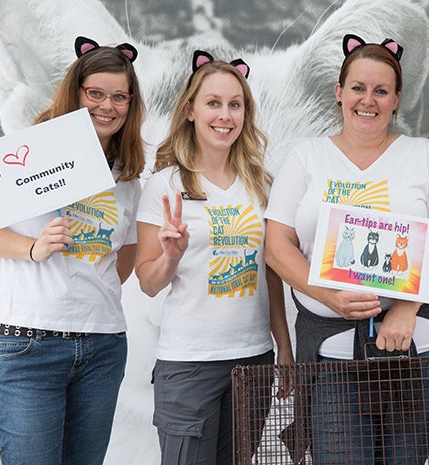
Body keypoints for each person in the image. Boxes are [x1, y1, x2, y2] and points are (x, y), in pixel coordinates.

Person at [264, 34, 429, 465]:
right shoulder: (306, 156)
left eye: (381, 91)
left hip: (414, 349)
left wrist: (406, 307)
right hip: (331, 350)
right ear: (339, 93)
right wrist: (328, 295)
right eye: (358, 88)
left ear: (397, 100)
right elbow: (277, 247)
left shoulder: (423, 154)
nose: (368, 100)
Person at [0, 36, 145, 465]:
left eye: (119, 96)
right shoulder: (29, 152)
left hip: (102, 348)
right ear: (75, 91)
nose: (107, 106)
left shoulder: (129, 177)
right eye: (95, 93)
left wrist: (84, 281)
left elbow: (125, 256)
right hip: (28, 345)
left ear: (130, 104)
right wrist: (33, 248)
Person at [134, 50, 294, 465]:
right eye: (213, 103)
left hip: (253, 360)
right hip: (190, 363)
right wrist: (170, 256)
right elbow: (148, 283)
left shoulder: (260, 185)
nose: (225, 115)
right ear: (190, 111)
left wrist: (283, 345)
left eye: (235, 104)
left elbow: (271, 271)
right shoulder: (164, 185)